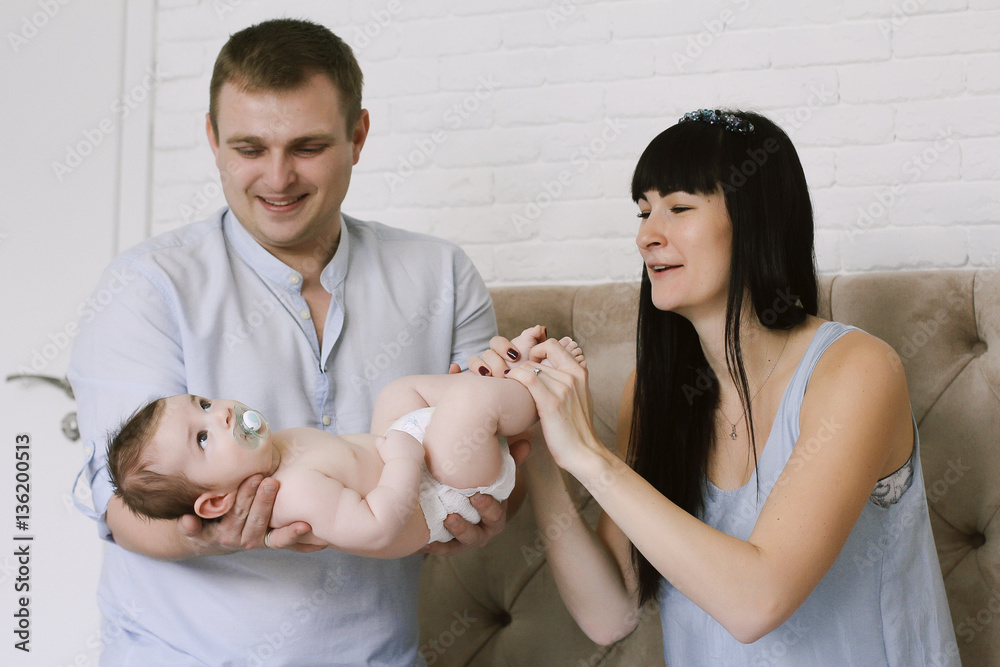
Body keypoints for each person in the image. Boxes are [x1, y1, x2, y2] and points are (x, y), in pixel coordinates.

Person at [68, 18, 521, 665]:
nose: (277, 177)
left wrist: (491, 503)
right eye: (250, 148)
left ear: (358, 135)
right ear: (212, 140)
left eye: (306, 146)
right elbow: (119, 502)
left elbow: (500, 448)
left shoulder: (441, 275)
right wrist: (210, 535)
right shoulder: (145, 287)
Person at [490, 110, 960, 665]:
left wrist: (590, 455)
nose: (646, 236)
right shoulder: (655, 392)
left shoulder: (856, 370)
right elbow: (608, 613)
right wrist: (545, 449)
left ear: (757, 219)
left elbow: (757, 602)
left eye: (679, 207)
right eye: (643, 212)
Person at [106, 335, 583, 556]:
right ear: (214, 502)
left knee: (397, 392)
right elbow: (377, 528)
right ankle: (537, 385)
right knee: (467, 407)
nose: (222, 413)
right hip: (434, 498)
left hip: (409, 457)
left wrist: (399, 443)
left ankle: (498, 383)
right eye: (204, 437)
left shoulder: (276, 449)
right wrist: (401, 457)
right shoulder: (292, 495)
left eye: (205, 403)